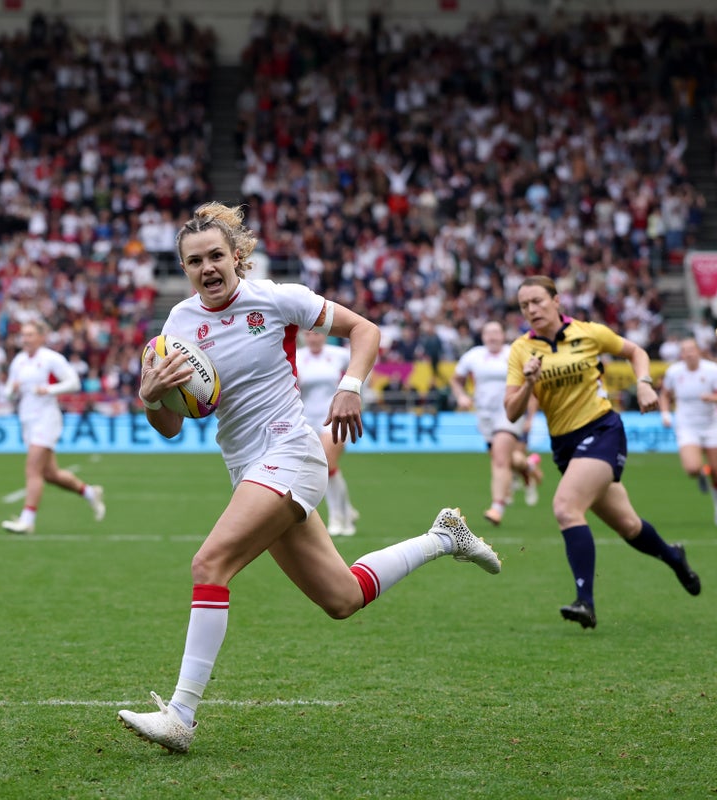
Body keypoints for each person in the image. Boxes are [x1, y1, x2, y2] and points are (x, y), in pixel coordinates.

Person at [118, 202, 501, 754]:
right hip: (248, 469)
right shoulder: (178, 325)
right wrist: (150, 397)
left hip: (292, 454)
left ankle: (181, 715)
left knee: (210, 563)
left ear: (236, 256)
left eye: (216, 256)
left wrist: (351, 385)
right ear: (184, 268)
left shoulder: (276, 299)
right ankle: (444, 536)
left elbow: (364, 330)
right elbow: (171, 426)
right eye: (194, 260)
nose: (207, 267)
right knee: (341, 597)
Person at [505, 276, 701, 630]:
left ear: (556, 300)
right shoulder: (521, 350)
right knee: (629, 525)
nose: (531, 310)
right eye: (524, 305)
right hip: (565, 446)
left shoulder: (589, 332)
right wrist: (530, 382)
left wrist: (643, 384)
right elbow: (511, 411)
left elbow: (636, 352)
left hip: (602, 430)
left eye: (537, 301)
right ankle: (675, 558)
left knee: (566, 507)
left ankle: (586, 602)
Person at [0, 319, 105, 534]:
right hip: (27, 420)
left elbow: (73, 383)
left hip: (46, 419)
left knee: (32, 469)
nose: (25, 339)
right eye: (23, 335)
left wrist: (49, 389)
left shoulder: (51, 359)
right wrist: (14, 389)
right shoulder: (19, 361)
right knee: (50, 474)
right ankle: (89, 493)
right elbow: (8, 392)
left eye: (30, 334)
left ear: (41, 337)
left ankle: (27, 520)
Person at [450, 320, 544, 526]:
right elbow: (456, 379)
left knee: (500, 458)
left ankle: (498, 506)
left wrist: (530, 416)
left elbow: (532, 386)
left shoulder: (514, 353)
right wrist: (461, 396)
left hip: (510, 411)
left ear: (503, 335)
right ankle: (528, 466)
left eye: (496, 332)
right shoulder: (473, 355)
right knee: (505, 457)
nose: (492, 337)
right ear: (483, 336)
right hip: (485, 415)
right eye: (488, 333)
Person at [659, 339, 717, 526]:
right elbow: (665, 394)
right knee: (691, 468)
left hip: (710, 425)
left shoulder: (712, 370)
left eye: (692, 349)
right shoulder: (674, 372)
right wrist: (666, 414)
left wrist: (712, 397)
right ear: (681, 355)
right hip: (686, 425)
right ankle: (700, 473)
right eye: (684, 350)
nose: (689, 353)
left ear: (699, 351)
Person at [295, 330, 359, 536]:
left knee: (327, 464)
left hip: (334, 416)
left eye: (317, 333)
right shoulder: (296, 356)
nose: (313, 338)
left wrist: (354, 395)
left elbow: (361, 367)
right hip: (305, 419)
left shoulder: (339, 354)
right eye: (309, 334)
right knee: (325, 468)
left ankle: (337, 518)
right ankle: (347, 510)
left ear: (324, 335)